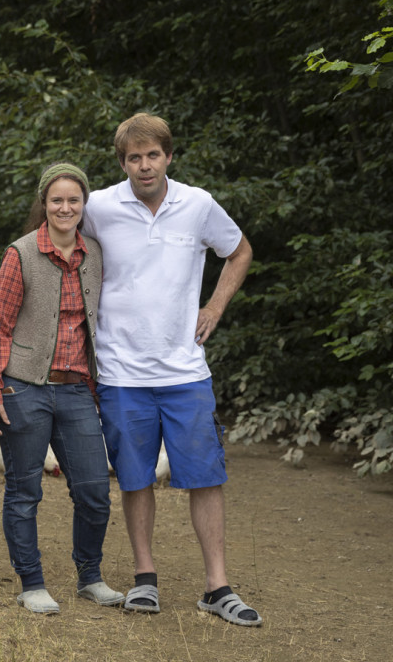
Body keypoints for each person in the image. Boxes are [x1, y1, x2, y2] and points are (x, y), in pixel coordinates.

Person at [80, 113, 263, 627]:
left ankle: (217, 587)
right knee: (135, 479)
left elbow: (240, 251)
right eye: (134, 157)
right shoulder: (99, 207)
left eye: (152, 155)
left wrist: (216, 307)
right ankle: (145, 579)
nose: (144, 165)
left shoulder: (198, 204)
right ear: (122, 163)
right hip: (121, 371)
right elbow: (62, 244)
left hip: (185, 370)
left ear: (168, 156)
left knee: (205, 478)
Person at [0, 162, 124, 615]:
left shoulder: (95, 254)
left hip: (77, 388)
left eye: (73, 200)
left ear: (84, 205)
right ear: (44, 203)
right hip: (25, 388)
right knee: (24, 490)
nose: (65, 207)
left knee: (95, 490)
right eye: (56, 200)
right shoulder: (19, 255)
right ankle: (32, 582)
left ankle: (90, 576)